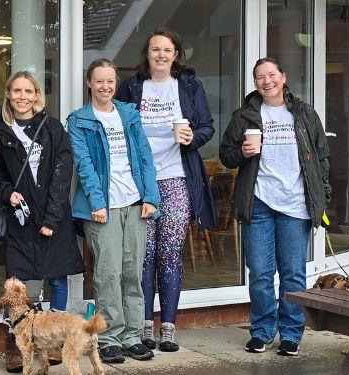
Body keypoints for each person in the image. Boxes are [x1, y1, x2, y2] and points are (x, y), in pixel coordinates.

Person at [219, 57, 331, 357]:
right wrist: (242, 152)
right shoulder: (245, 116)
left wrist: (323, 196)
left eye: (271, 75)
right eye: (259, 77)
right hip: (259, 203)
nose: (266, 81)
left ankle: (292, 333)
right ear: (255, 83)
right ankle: (262, 331)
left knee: (293, 273)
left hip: (296, 205)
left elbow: (321, 157)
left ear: (283, 77)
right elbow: (226, 155)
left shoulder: (304, 113)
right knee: (259, 273)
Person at [115, 27, 218, 352]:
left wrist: (192, 139)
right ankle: (145, 325)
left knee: (170, 254)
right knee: (144, 256)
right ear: (147, 53)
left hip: (176, 179)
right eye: (155, 49)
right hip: (140, 181)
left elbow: (206, 126)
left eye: (167, 50)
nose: (160, 55)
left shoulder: (187, 85)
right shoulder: (132, 86)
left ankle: (169, 328)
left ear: (176, 55)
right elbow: (115, 125)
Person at [68, 58, 160, 364]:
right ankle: (108, 337)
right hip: (103, 209)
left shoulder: (129, 114)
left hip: (135, 205)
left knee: (133, 273)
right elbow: (84, 165)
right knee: (108, 274)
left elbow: (145, 158)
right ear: (89, 84)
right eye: (99, 81)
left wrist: (151, 197)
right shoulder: (79, 120)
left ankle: (132, 335)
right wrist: (97, 202)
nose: (105, 87)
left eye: (110, 81)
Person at [0, 71, 84, 372]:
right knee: (18, 281)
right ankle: (18, 344)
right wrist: (8, 194)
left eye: (28, 91)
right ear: (8, 94)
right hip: (21, 218)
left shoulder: (52, 128)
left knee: (57, 276)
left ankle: (55, 339)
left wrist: (52, 218)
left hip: (52, 216)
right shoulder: (0, 132)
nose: (22, 97)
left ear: (37, 96)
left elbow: (62, 174)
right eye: (16, 91)